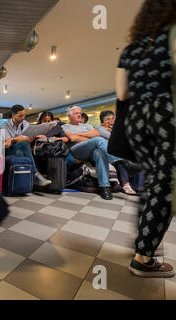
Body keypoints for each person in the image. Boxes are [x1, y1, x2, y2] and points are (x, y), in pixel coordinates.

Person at [116, 0, 176, 277]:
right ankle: (143, 256)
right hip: (165, 114)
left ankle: (145, 241)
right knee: (165, 185)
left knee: (154, 181)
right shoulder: (171, 35)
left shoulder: (131, 49)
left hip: (137, 119)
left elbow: (122, 94)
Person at [62, 106, 138, 200]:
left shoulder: (87, 125)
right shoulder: (65, 126)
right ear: (69, 116)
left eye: (80, 113)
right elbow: (72, 138)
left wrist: (78, 135)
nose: (79, 115)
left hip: (92, 149)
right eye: (76, 113)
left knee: (99, 153)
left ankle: (104, 187)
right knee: (98, 140)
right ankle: (123, 162)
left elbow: (96, 134)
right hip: (76, 150)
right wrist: (89, 137)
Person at [1, 105, 51, 187]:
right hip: (9, 150)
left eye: (24, 115)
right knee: (23, 145)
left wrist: (15, 139)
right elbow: (7, 143)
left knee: (20, 151)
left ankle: (22, 184)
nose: (23, 117)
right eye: (20, 116)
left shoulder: (26, 123)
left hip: (22, 149)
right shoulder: (4, 126)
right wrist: (22, 138)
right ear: (13, 115)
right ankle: (35, 175)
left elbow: (29, 139)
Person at [96, 110, 141, 195]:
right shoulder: (99, 129)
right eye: (112, 118)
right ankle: (125, 184)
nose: (114, 120)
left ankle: (138, 186)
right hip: (109, 153)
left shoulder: (112, 128)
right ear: (106, 120)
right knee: (121, 159)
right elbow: (114, 140)